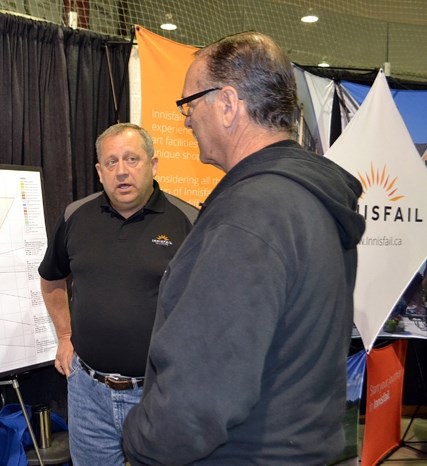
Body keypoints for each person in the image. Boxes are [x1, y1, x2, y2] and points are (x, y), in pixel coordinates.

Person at [122, 31, 366, 464]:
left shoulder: (250, 215)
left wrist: (139, 442)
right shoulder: (307, 198)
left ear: (229, 104)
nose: (186, 119)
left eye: (189, 104)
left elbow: (199, 399)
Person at [38, 123, 199, 465]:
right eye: (111, 162)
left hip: (160, 395)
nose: (122, 171)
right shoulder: (74, 216)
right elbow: (51, 280)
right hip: (88, 394)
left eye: (132, 159)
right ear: (99, 172)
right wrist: (65, 336)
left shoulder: (189, 222)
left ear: (153, 165)